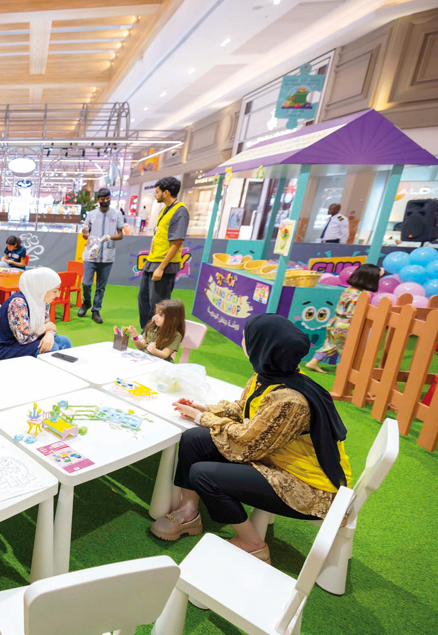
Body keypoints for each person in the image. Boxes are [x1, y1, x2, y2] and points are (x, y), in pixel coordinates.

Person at [153, 314, 352, 563]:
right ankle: (188, 513)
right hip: (274, 457)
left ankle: (252, 543)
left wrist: (202, 418)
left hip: (308, 486)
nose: (243, 340)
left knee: (203, 473)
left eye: (248, 337)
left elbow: (245, 446)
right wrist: (205, 409)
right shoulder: (267, 376)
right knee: (194, 439)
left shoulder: (289, 399)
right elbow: (244, 410)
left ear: (262, 347)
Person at [306, 264, 382, 373]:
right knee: (348, 349)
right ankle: (346, 370)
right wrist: (357, 327)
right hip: (345, 325)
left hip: (335, 321)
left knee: (330, 344)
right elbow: (352, 313)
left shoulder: (349, 290)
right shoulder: (359, 295)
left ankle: (313, 361)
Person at [0, 268, 73, 361]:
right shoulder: (18, 303)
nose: (57, 295)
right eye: (55, 291)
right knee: (50, 348)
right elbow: (24, 339)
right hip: (1, 347)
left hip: (22, 341)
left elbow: (49, 326)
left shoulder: (42, 300)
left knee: (64, 342)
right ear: (42, 288)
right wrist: (46, 328)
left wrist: (49, 334)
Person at [139, 176, 188, 329]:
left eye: (157, 192)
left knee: (158, 305)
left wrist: (161, 267)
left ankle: (156, 336)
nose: (155, 194)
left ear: (166, 193)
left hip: (163, 265)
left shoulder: (180, 211)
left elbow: (177, 242)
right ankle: (145, 332)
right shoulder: (166, 209)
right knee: (143, 299)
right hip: (151, 261)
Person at [79, 187, 125, 324]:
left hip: (107, 256)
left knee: (101, 285)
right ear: (98, 200)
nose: (105, 201)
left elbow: (120, 235)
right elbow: (85, 236)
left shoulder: (117, 214)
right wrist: (85, 232)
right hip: (91, 254)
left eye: (107, 199)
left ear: (110, 198)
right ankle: (86, 302)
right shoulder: (91, 214)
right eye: (102, 199)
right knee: (86, 283)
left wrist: (110, 237)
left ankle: (96, 310)